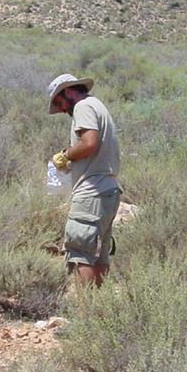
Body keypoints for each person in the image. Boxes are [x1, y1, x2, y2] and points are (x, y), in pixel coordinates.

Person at [47, 74, 121, 288]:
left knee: (81, 252)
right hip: (108, 190)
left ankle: (85, 312)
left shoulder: (82, 107)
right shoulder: (97, 105)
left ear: (68, 91)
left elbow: (89, 143)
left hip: (91, 191)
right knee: (99, 255)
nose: (61, 109)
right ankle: (96, 310)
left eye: (59, 103)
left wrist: (66, 154)